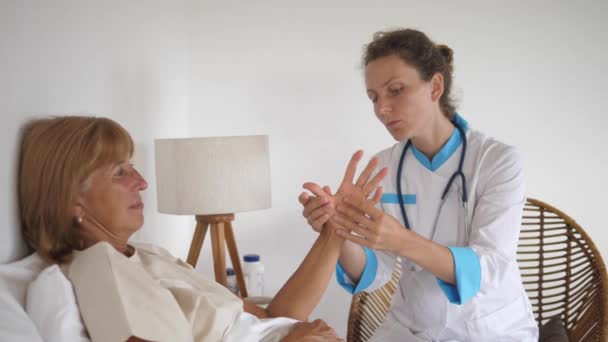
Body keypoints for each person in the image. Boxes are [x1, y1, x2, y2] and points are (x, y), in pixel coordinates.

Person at [17, 115, 385, 341]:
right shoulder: (98, 269)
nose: (142, 182)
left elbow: (274, 317)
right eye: (120, 172)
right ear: (73, 200)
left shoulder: (147, 255)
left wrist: (335, 229)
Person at [299, 28, 538, 341]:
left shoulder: (497, 160)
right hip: (411, 329)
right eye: (374, 97)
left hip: (489, 328)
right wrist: (340, 231)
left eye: (395, 90)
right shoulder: (384, 166)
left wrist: (400, 240)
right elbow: (375, 272)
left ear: (435, 86)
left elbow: (491, 267)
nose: (382, 109)